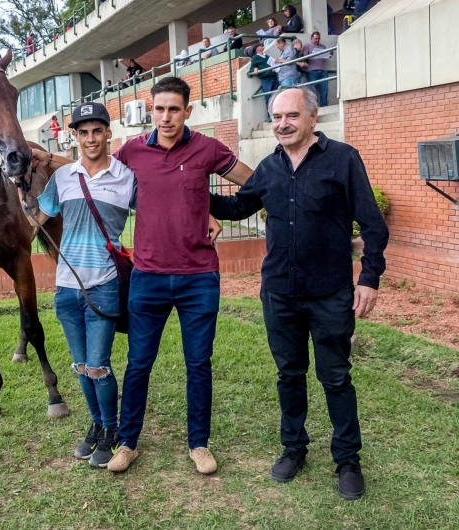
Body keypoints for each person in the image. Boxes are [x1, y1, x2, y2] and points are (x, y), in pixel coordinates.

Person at [33, 77, 254, 475]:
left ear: (188, 111)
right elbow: (92, 164)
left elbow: (254, 183)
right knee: (139, 364)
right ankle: (127, 442)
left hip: (199, 277)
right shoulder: (132, 152)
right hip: (148, 277)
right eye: (159, 108)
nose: (166, 116)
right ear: (149, 111)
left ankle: (199, 444)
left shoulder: (207, 148)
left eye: (174, 109)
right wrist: (35, 164)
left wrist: (212, 210)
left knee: (198, 364)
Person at [209, 87, 389, 501]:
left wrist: (369, 278)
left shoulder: (343, 159)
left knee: (336, 377)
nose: (282, 124)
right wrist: (188, 191)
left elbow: (373, 225)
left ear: (312, 118)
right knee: (289, 374)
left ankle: (347, 459)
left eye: (290, 116)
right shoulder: (269, 168)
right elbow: (239, 208)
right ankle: (294, 448)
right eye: (276, 117)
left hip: (330, 292)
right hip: (279, 293)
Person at [30, 103, 135, 468]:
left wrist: (208, 215)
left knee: (98, 366)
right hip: (66, 288)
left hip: (104, 285)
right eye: (83, 132)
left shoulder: (126, 177)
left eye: (97, 131)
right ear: (74, 136)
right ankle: (95, 425)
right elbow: (35, 219)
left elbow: (161, 207)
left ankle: (111, 430)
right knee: (79, 366)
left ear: (108, 133)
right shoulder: (62, 179)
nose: (90, 138)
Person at [250, 43, 279, 120]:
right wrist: (254, 69)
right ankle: (270, 117)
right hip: (266, 80)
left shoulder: (267, 56)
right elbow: (251, 69)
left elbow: (272, 63)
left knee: (277, 97)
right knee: (269, 98)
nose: (262, 46)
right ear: (257, 49)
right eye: (260, 46)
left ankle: (277, 115)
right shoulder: (255, 58)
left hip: (274, 77)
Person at [303, 32, 331, 107]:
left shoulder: (323, 46)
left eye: (318, 38)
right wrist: (312, 54)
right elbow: (303, 57)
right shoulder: (307, 46)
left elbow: (328, 56)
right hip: (312, 70)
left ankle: (324, 106)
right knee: (312, 90)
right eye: (315, 38)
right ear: (311, 38)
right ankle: (314, 107)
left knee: (324, 89)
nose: (317, 40)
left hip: (323, 69)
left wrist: (330, 53)